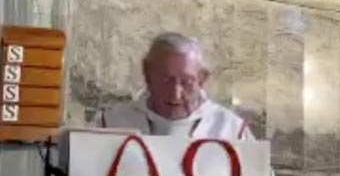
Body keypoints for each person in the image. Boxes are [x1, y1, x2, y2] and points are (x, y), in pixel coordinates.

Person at [94, 32, 253, 140]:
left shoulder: (232, 132)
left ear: (202, 79)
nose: (175, 95)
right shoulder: (110, 126)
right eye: (165, 80)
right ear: (147, 75)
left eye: (186, 82)